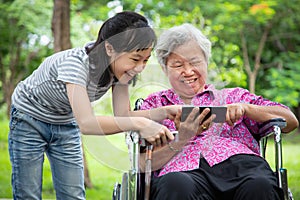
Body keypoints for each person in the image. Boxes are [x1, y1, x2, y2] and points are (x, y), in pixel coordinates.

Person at [8, 11, 178, 200]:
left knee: (73, 195)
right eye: (135, 59)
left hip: (65, 122)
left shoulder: (121, 73)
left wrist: (164, 112)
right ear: (109, 48)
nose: (140, 67)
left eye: (145, 60)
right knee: (28, 194)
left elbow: (124, 114)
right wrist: (141, 125)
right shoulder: (76, 64)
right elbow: (87, 123)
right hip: (29, 119)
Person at [139, 23, 299, 200]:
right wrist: (181, 138)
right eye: (178, 65)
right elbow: (142, 164)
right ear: (164, 68)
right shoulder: (156, 104)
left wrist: (246, 109)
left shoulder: (234, 96)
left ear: (206, 62)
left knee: (259, 185)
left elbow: (290, 121)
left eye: (194, 62)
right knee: (175, 186)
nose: (188, 71)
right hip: (182, 171)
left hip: (242, 167)